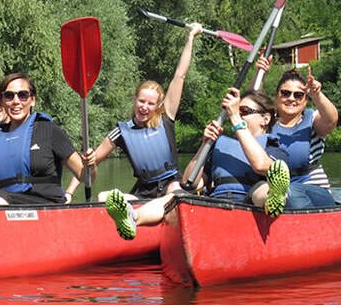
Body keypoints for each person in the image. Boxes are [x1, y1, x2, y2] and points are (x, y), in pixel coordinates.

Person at [105, 88, 291, 240]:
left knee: (262, 188)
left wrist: (234, 118)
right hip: (217, 203)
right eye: (236, 111)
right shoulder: (221, 145)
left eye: (244, 112)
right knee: (176, 195)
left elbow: (260, 165)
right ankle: (133, 218)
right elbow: (190, 182)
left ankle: (273, 200)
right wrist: (204, 144)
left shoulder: (274, 145)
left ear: (265, 119)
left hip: (251, 203)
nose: (238, 115)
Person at [65, 24, 204, 203]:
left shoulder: (166, 116)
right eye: (141, 101)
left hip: (171, 184)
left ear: (158, 105)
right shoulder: (121, 131)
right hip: (144, 192)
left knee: (176, 192)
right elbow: (89, 163)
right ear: (134, 99)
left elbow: (180, 75)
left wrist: (190, 38)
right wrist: (69, 192)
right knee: (103, 197)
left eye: (150, 103)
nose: (144, 107)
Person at [0, 73, 94, 205]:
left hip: (47, 205)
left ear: (33, 100)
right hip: (8, 201)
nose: (16, 101)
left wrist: (91, 166)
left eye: (23, 95)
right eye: (9, 96)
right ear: (2, 101)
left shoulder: (49, 130)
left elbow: (86, 176)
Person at [256, 56, 338, 208]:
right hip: (276, 191)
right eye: (285, 93)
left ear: (306, 100)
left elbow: (331, 120)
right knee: (273, 194)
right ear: (276, 96)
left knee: (290, 192)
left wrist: (316, 95)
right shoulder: (265, 121)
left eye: (298, 95)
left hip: (313, 189)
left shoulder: (311, 119)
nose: (291, 98)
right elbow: (250, 103)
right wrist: (260, 74)